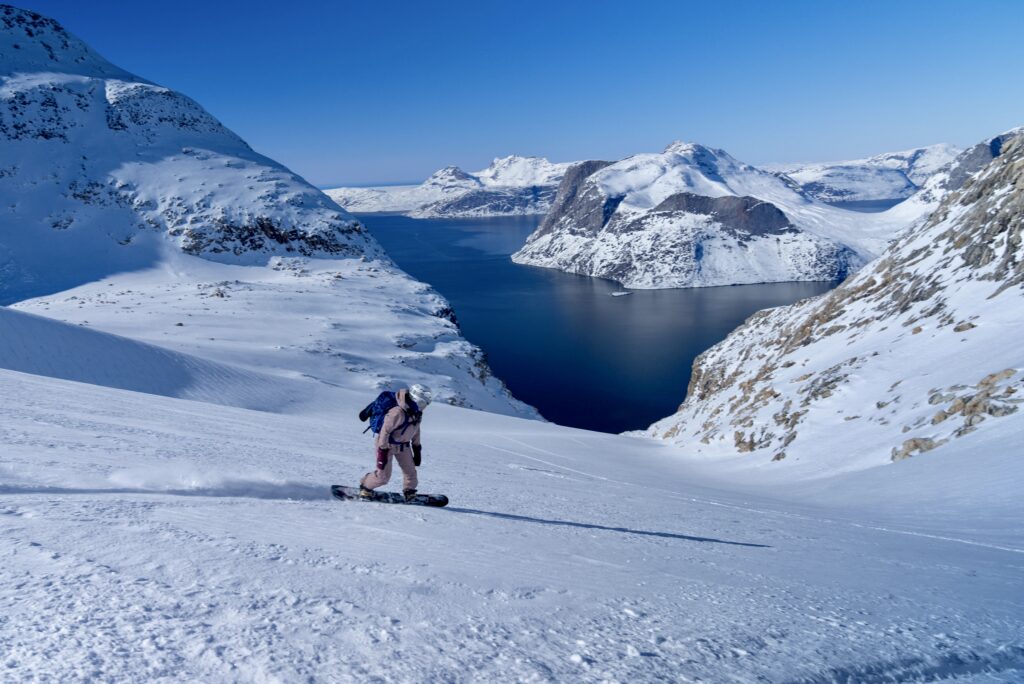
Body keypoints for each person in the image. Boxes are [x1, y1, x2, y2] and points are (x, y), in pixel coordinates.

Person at [360, 384, 432, 501]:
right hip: (386, 445)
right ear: (415, 399)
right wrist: (382, 451)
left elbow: (416, 430)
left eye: (426, 404)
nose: (423, 406)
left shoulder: (416, 412)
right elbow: (385, 431)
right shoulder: (397, 412)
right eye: (422, 403)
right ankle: (365, 487)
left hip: (403, 446)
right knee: (383, 477)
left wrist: (416, 449)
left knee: (411, 472)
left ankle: (410, 492)